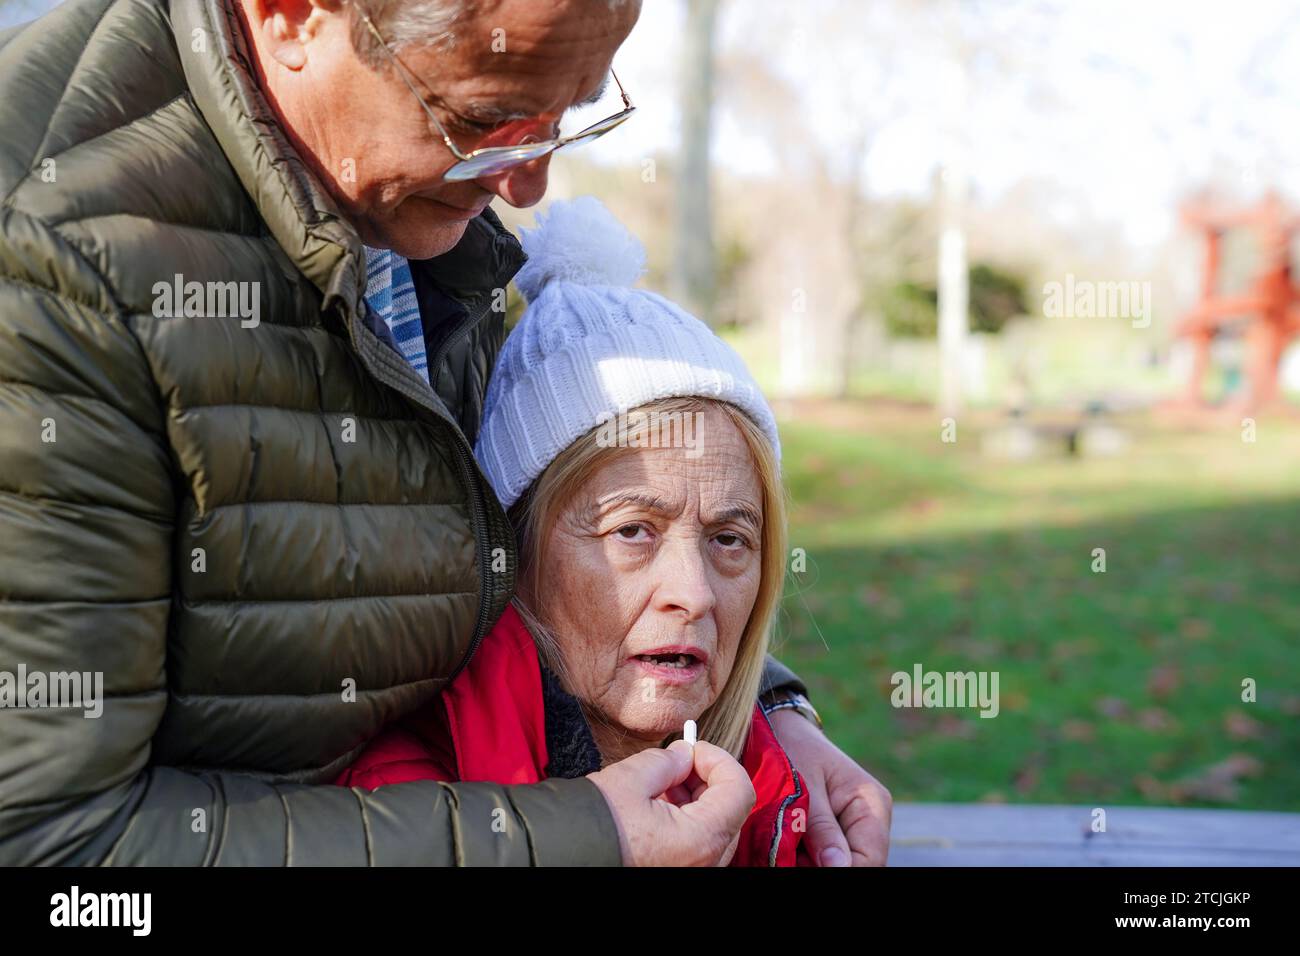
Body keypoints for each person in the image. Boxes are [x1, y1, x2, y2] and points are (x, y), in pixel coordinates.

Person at [0, 0, 889, 866]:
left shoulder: (407, 205)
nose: (527, 183)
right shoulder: (51, 264)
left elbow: (529, 513)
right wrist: (576, 838)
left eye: (569, 114)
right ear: (292, 15)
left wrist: (763, 708)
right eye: (484, 117)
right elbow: (51, 841)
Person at [336, 198, 812, 865]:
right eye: (633, 532)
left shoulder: (784, 801)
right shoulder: (402, 806)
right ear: (516, 553)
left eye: (728, 540)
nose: (694, 595)